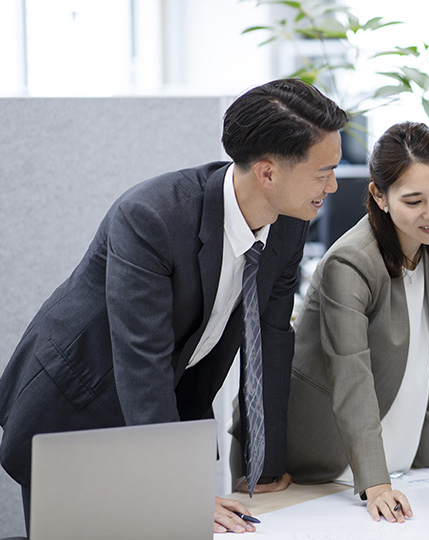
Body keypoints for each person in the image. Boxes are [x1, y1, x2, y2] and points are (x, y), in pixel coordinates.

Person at [0, 79, 348, 534]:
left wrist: (265, 460)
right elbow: (141, 360)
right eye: (323, 172)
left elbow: (271, 338)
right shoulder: (152, 217)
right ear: (267, 173)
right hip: (78, 409)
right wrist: (177, 490)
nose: (335, 185)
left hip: (163, 415)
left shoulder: (289, 223)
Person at [285, 121, 429, 523]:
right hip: (338, 461)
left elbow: (425, 354)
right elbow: (351, 376)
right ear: (379, 197)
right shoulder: (350, 262)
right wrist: (375, 483)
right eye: (414, 201)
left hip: (399, 453)